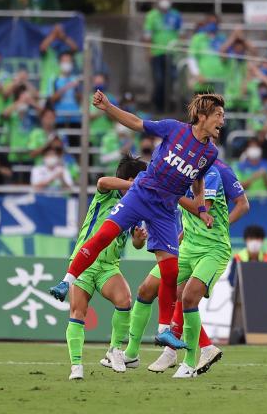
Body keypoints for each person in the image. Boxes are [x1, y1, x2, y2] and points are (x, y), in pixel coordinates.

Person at [48, 89, 223, 357]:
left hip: (165, 210)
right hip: (142, 194)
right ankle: (66, 281)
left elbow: (197, 178)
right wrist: (108, 107)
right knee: (105, 234)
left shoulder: (210, 152)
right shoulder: (174, 129)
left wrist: (201, 208)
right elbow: (136, 122)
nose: (222, 120)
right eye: (218, 115)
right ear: (202, 116)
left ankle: (163, 329)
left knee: (171, 271)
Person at [118, 158, 249, 374]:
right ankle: (132, 353)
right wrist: (174, 241)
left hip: (212, 249)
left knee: (187, 297)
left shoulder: (212, 173)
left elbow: (201, 208)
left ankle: (188, 361)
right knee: (147, 288)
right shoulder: (180, 176)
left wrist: (172, 193)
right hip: (186, 247)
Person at [65, 155, 148, 379]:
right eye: (142, 179)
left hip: (108, 266)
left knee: (125, 300)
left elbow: (137, 245)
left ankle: (114, 350)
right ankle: (76, 366)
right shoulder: (107, 194)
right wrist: (134, 186)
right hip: (84, 262)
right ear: (131, 180)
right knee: (78, 312)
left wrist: (139, 238)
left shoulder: (136, 208)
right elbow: (102, 181)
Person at [144, 0, 182, 112]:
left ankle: (167, 104)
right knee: (159, 80)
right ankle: (157, 104)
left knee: (171, 80)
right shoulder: (151, 15)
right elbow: (147, 35)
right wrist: (148, 51)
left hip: (173, 53)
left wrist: (181, 50)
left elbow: (181, 34)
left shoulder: (176, 15)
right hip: (157, 53)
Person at [188, 14, 228, 90]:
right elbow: (192, 58)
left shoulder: (222, 39)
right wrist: (197, 74)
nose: (212, 25)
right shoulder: (198, 38)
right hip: (202, 82)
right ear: (206, 23)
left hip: (220, 81)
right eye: (210, 22)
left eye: (215, 23)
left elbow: (226, 59)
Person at [39, 24, 79, 96]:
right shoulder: (48, 53)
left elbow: (75, 48)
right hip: (45, 90)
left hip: (62, 91)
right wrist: (54, 34)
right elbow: (42, 47)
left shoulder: (63, 53)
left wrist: (63, 37)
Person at [47, 52, 82, 127]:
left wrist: (77, 90)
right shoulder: (54, 79)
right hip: (59, 118)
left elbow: (80, 100)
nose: (66, 64)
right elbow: (51, 99)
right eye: (64, 61)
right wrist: (67, 86)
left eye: (69, 61)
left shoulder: (76, 79)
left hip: (75, 118)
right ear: (59, 63)